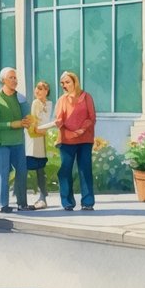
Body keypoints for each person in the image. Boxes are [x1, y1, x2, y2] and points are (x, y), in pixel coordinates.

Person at [0, 67, 32, 213]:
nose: (14, 80)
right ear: (3, 80)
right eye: (11, 78)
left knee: (22, 171)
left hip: (17, 141)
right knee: (3, 172)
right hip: (1, 142)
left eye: (15, 78)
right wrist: (12, 124)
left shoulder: (19, 97)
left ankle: (22, 203)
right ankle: (3, 204)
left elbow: (28, 118)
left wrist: (25, 107)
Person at [55, 70, 97, 211]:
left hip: (85, 139)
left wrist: (82, 130)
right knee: (65, 170)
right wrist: (68, 132)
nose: (65, 85)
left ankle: (88, 202)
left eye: (67, 82)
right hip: (67, 140)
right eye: (63, 83)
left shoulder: (87, 97)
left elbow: (91, 118)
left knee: (85, 169)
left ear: (75, 82)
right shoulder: (62, 100)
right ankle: (67, 202)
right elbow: (59, 120)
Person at [25, 80, 58, 209]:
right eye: (36, 89)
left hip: (43, 136)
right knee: (30, 165)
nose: (37, 91)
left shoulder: (49, 104)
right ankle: (27, 196)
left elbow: (47, 119)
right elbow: (35, 122)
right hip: (33, 137)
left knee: (40, 168)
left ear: (46, 91)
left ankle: (42, 196)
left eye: (41, 89)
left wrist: (46, 127)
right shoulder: (35, 103)